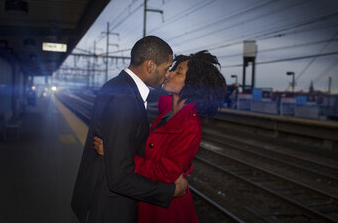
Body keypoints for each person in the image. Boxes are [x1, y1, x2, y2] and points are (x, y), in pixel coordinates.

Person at [94, 50, 227, 222]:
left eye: (178, 72)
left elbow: (164, 173)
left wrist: (115, 153)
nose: (170, 73)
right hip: (151, 197)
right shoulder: (166, 111)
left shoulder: (190, 127)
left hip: (166, 208)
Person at [71, 36, 188, 223]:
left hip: (103, 199)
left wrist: (116, 152)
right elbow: (119, 179)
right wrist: (170, 191)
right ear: (150, 66)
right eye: (166, 68)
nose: (168, 74)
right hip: (110, 208)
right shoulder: (124, 100)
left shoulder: (118, 86)